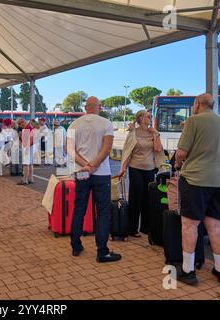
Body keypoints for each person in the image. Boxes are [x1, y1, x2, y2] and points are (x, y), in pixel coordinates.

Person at [175, 93, 220, 285]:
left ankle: (188, 270)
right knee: (215, 226)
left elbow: (181, 153)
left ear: (198, 104)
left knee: (190, 224)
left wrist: (178, 164)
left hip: (197, 180)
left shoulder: (193, 121)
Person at [67, 96, 121, 263]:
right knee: (103, 212)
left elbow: (69, 149)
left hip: (81, 173)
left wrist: (85, 165)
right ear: (99, 106)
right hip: (101, 173)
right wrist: (94, 165)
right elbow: (107, 149)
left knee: (79, 210)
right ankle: (102, 252)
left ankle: (76, 246)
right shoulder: (106, 123)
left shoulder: (73, 124)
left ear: (85, 107)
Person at [118, 110, 165, 237]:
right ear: (140, 118)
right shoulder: (133, 133)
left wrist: (156, 134)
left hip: (150, 169)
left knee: (148, 198)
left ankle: (145, 227)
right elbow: (127, 152)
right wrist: (123, 168)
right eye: (147, 116)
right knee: (136, 197)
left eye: (150, 116)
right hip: (135, 168)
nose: (150, 117)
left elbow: (158, 149)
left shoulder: (152, 132)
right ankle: (132, 229)